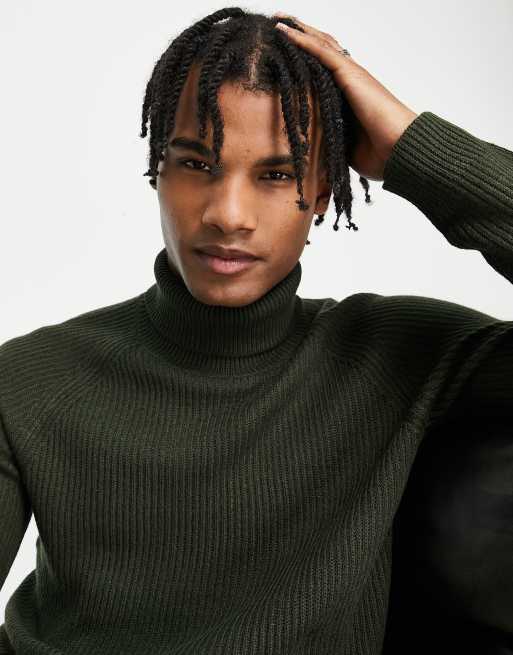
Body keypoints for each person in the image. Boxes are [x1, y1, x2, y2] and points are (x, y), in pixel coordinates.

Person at [0, 7, 511, 654]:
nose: (228, 214)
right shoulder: (28, 380)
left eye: (276, 174)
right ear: (157, 171)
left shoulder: (405, 357)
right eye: (196, 164)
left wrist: (415, 148)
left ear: (323, 190)